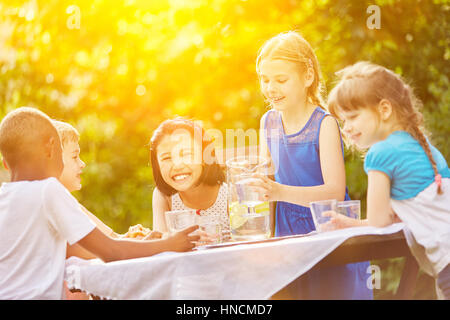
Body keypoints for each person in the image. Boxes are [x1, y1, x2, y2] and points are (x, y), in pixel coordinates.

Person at [0, 107, 199, 299]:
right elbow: (112, 252)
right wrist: (168, 243)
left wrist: (145, 244)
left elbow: (87, 250)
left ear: (5, 164)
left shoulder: (5, 198)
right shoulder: (48, 190)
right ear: (51, 147)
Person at [253, 31, 372, 299]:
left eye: (281, 80)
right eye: (265, 79)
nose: (271, 88)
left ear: (307, 76)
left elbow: (333, 192)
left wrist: (279, 191)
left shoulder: (324, 124)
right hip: (287, 233)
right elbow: (266, 183)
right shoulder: (268, 122)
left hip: (327, 229)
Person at [324, 61, 450, 299]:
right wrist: (350, 223)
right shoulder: (425, 148)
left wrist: (352, 224)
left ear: (384, 109)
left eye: (352, 117)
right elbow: (392, 217)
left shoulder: (380, 154)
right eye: (343, 121)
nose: (347, 128)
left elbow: (379, 220)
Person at [150, 118, 230, 241]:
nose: (177, 165)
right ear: (157, 165)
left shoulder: (230, 191)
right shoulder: (164, 196)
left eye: (187, 154)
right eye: (166, 158)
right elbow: (161, 243)